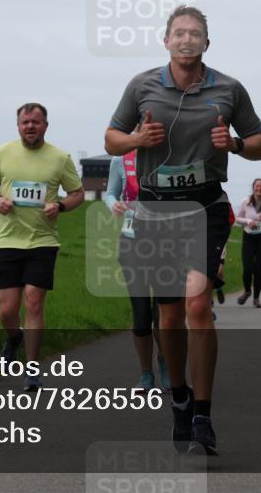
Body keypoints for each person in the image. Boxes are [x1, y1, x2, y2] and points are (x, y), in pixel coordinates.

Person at [105, 4, 261, 456]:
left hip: (205, 206)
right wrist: (137, 140)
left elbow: (260, 144)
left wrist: (235, 143)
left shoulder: (229, 89)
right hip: (156, 210)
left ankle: (202, 414)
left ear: (206, 43)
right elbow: (111, 139)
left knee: (198, 305)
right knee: (171, 314)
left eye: (195, 33)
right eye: (179, 32)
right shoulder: (142, 86)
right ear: (166, 41)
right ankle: (178, 395)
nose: (187, 39)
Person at [0, 103, 85, 392]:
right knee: (6, 311)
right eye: (25, 122)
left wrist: (60, 206)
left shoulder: (60, 158)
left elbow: (77, 194)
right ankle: (14, 338)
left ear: (45, 126)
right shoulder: (3, 153)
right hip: (8, 241)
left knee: (34, 302)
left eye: (36, 122)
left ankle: (33, 369)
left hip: (43, 241)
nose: (30, 126)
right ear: (18, 125)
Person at [104, 150, 170, 391]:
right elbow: (110, 193)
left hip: (165, 242)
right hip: (132, 242)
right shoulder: (120, 160)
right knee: (141, 314)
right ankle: (145, 372)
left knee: (162, 313)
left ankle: (165, 363)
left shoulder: (169, 154)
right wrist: (114, 204)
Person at [234, 179, 261, 308]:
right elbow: (237, 218)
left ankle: (256, 299)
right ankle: (247, 291)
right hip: (249, 237)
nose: (259, 188)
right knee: (247, 269)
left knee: (258, 269)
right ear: (253, 187)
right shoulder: (246, 202)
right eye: (257, 186)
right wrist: (248, 221)